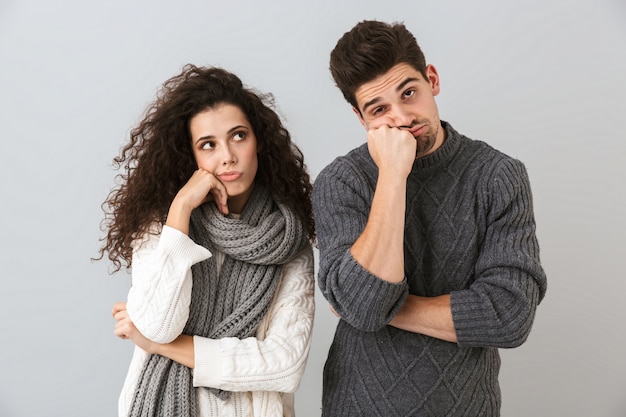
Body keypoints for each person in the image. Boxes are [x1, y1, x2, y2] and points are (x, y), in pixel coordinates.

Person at [312, 20, 547, 416]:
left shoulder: (497, 175)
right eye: (380, 109)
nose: (402, 117)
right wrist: (392, 174)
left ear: (432, 80)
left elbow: (509, 315)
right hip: (357, 405)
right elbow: (363, 305)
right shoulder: (342, 181)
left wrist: (384, 306)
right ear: (361, 119)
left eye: (409, 93)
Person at [97, 64, 316, 417]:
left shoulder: (289, 242)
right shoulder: (162, 226)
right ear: (191, 156)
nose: (227, 155)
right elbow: (159, 322)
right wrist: (181, 208)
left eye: (239, 136)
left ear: (258, 141)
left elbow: (284, 365)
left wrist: (157, 345)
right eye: (208, 144)